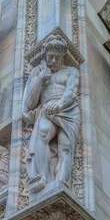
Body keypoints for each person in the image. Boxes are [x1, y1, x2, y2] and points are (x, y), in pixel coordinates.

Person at [22, 33, 80, 186]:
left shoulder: (71, 71)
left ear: (63, 57)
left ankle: (60, 183)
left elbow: (71, 92)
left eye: (57, 57)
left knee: (65, 146)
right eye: (50, 56)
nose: (53, 60)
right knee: (43, 130)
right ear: (45, 56)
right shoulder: (38, 72)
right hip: (47, 108)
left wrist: (59, 105)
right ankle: (41, 177)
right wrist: (40, 80)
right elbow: (29, 103)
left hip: (68, 109)